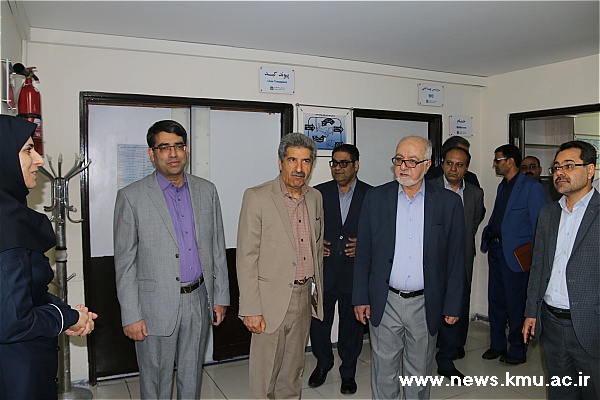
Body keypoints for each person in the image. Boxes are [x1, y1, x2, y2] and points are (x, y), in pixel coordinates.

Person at [113, 120, 229, 399]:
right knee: (156, 380)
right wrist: (131, 314)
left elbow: (217, 247)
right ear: (151, 153)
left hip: (198, 300)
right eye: (164, 147)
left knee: (192, 374)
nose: (173, 154)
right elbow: (125, 263)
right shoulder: (131, 197)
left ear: (186, 149)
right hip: (154, 306)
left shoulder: (207, 191)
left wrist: (220, 296)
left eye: (178, 146)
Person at [353, 135, 466, 399]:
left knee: (419, 372)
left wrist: (453, 304)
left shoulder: (448, 203)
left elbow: (456, 258)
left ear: (427, 165)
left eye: (412, 161)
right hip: (385, 300)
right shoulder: (376, 198)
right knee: (384, 370)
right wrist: (360, 297)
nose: (403, 166)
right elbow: (364, 252)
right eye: (399, 159)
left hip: (425, 302)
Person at [0, 115, 97, 399]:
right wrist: (65, 316)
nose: (39, 160)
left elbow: (28, 293)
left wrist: (69, 314)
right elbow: (13, 320)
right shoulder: (6, 226)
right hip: (15, 375)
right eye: (28, 150)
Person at [236, 132, 324, 399]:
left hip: (303, 298)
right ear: (280, 162)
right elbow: (246, 256)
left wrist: (316, 296)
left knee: (293, 374)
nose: (299, 168)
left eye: (306, 161)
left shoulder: (315, 198)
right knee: (264, 379)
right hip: (269, 301)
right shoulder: (258, 196)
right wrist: (250, 308)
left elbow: (317, 249)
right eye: (292, 160)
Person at [523, 140, 599, 400]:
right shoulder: (548, 214)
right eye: (556, 167)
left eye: (569, 166)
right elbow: (538, 267)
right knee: (560, 393)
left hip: (591, 325)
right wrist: (531, 312)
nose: (560, 173)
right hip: (552, 323)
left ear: (590, 170)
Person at [308, 144, 371, 395]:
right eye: (334, 163)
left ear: (356, 165)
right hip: (322, 272)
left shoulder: (371, 195)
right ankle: (323, 363)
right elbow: (303, 226)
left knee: (352, 326)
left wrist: (364, 246)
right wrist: (315, 244)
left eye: (344, 163)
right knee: (318, 323)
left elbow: (382, 232)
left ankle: (348, 371)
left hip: (355, 273)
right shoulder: (317, 193)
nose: (338, 168)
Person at [480, 144, 545, 365]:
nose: (494, 164)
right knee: (496, 300)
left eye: (497, 160)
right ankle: (497, 344)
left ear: (510, 161)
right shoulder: (503, 186)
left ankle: (517, 350)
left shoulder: (531, 187)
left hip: (517, 255)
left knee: (516, 304)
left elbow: (539, 225)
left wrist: (536, 258)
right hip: (497, 250)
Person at [431, 146, 485, 381]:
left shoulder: (475, 193)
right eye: (449, 163)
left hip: (460, 259)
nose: (453, 168)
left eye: (459, 164)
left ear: (466, 168)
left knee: (456, 306)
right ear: (442, 164)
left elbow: (473, 224)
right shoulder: (428, 187)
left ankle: (447, 358)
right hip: (431, 261)